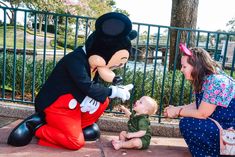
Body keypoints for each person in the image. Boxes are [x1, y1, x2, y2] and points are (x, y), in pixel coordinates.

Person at [7, 12, 137, 150]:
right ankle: (39, 128)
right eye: (113, 64)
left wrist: (113, 87)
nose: (112, 68)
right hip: (56, 104)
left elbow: (93, 85)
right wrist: (112, 91)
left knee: (103, 101)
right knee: (75, 143)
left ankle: (76, 127)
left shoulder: (93, 62)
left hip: (74, 103)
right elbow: (85, 85)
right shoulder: (75, 60)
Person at [164, 43, 235, 157]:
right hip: (224, 126)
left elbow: (202, 113)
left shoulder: (215, 82)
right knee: (188, 122)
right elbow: (201, 105)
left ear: (197, 66)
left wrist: (178, 112)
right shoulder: (209, 78)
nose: (181, 69)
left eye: (184, 66)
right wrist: (177, 109)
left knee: (188, 124)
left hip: (230, 132)